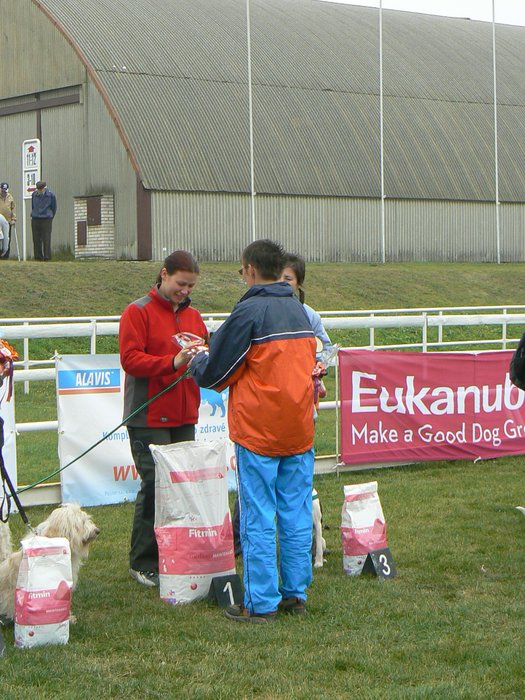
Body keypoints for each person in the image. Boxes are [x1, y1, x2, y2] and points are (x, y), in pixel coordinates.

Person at [190, 239, 316, 622]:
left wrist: (197, 359)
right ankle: (296, 592)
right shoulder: (299, 311)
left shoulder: (248, 311)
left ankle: (260, 602)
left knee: (258, 516)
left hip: (259, 431)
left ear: (248, 269)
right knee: (295, 511)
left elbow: (217, 373)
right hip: (298, 429)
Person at [119, 250, 208, 588]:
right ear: (164, 274)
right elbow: (130, 359)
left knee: (181, 488)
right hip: (148, 415)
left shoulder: (195, 316)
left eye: (191, 286)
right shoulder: (137, 311)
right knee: (155, 485)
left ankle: (176, 551)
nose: (185, 291)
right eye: (181, 283)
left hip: (184, 413)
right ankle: (142, 562)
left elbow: (204, 353)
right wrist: (171, 363)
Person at [31, 181, 57, 261]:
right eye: (38, 189)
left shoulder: (51, 195)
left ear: (44, 188)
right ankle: (38, 257)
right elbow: (33, 206)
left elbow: (54, 207)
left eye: (41, 189)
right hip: (35, 218)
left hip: (46, 218)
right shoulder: (34, 195)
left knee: (46, 238)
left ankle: (47, 257)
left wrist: (50, 216)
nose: (39, 191)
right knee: (36, 239)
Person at [0, 183, 15, 259]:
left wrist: (13, 219)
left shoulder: (10, 197)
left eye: (5, 191)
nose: (4, 192)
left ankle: (5, 256)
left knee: (7, 238)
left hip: (7, 221)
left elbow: (13, 209)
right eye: (2, 190)